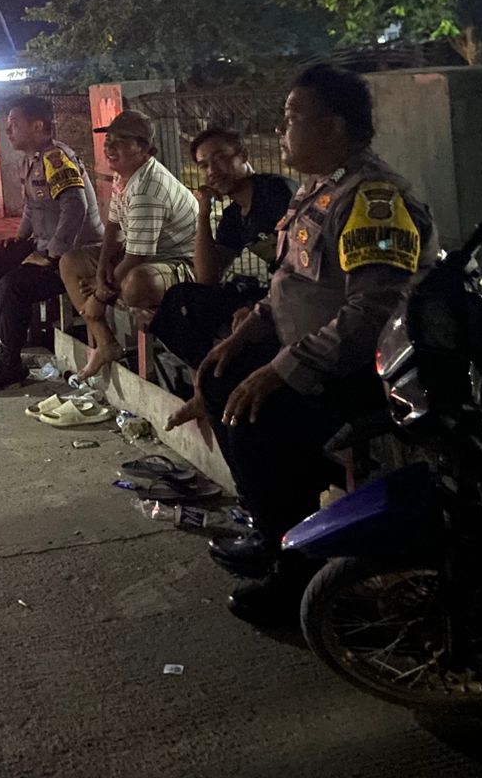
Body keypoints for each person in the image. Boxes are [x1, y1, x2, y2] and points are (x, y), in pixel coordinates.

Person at [170, 65, 433, 627]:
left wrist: (281, 368)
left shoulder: (372, 199)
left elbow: (371, 316)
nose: (280, 130)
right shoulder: (320, 191)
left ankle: (299, 575)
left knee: (259, 417)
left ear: (332, 127)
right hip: (313, 355)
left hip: (365, 371)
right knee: (220, 376)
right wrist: (245, 335)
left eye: (291, 118)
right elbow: (289, 286)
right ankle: (275, 533)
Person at [0, 95, 103, 391]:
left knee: (12, 285)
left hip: (74, 254)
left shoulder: (57, 159)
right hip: (42, 244)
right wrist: (20, 237)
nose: (8, 131)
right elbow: (32, 206)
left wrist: (51, 255)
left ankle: (10, 363)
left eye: (14, 124)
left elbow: (75, 208)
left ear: (37, 125)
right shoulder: (31, 161)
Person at [141, 128, 297, 372]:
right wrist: (203, 213)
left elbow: (294, 262)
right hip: (254, 296)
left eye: (220, 158)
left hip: (285, 298)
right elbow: (207, 278)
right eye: (204, 165)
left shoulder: (274, 191)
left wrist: (257, 308)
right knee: (178, 300)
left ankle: (217, 375)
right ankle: (211, 373)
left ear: (243, 155)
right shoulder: (233, 214)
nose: (212, 171)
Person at [59, 110, 198, 378]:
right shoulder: (124, 176)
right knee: (70, 262)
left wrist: (100, 295)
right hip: (144, 255)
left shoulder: (148, 187)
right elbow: (113, 226)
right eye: (108, 140)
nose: (109, 147)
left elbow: (137, 257)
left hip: (178, 263)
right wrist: (102, 270)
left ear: (143, 149)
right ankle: (106, 343)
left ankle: (118, 301)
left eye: (120, 141)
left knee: (136, 284)